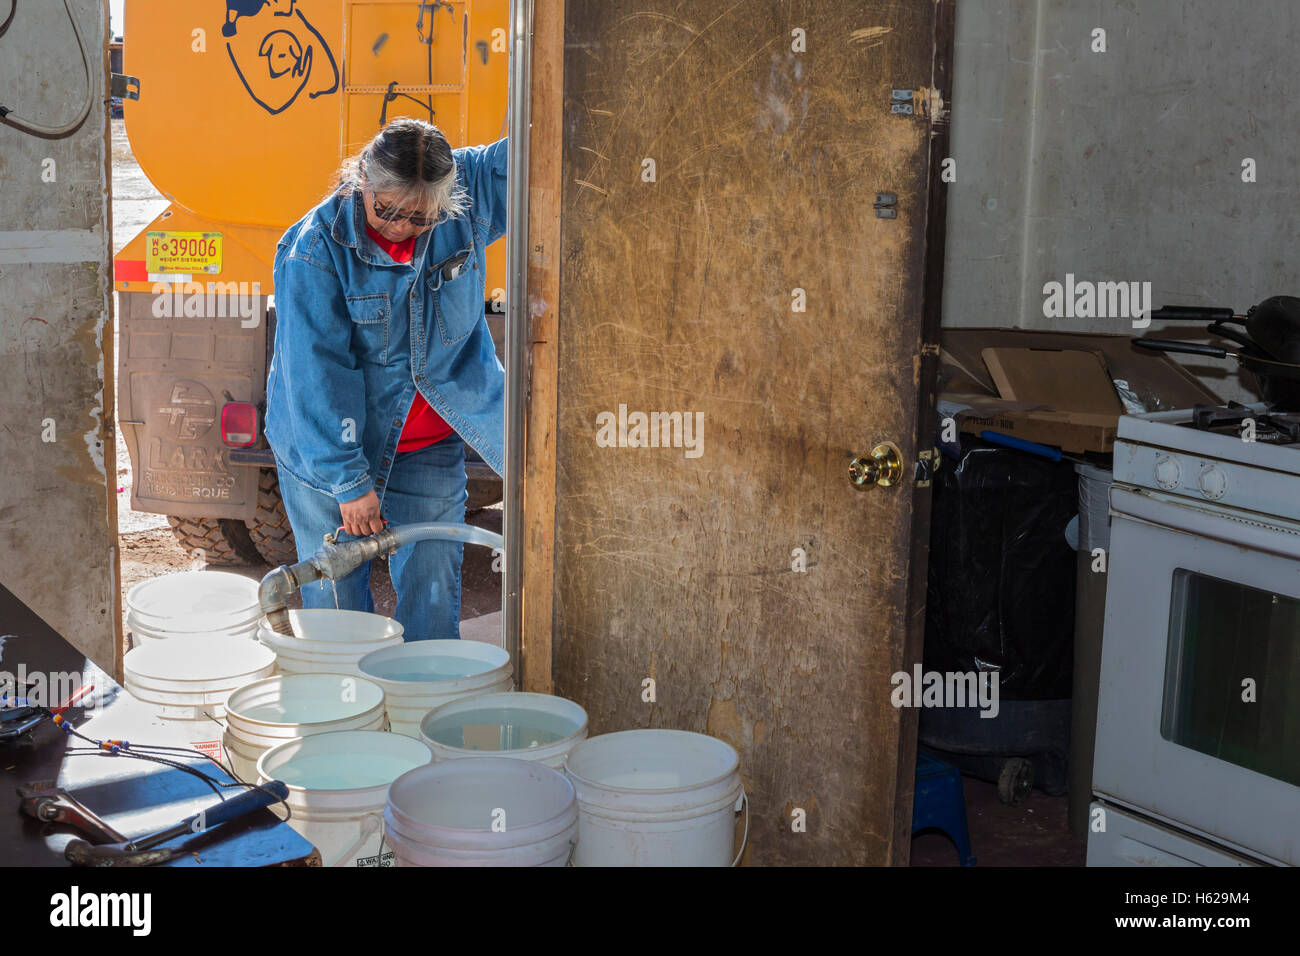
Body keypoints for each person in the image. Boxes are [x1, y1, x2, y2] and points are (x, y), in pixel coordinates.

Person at [265, 119, 506, 640]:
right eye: (387, 211)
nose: (400, 227)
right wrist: (349, 481)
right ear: (361, 182)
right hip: (327, 454)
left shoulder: (471, 190)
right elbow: (317, 374)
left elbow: (539, 150)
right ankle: (344, 707)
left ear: (451, 199)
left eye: (421, 218)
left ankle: (424, 704)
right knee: (337, 605)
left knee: (433, 590)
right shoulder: (314, 249)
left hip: (428, 445)